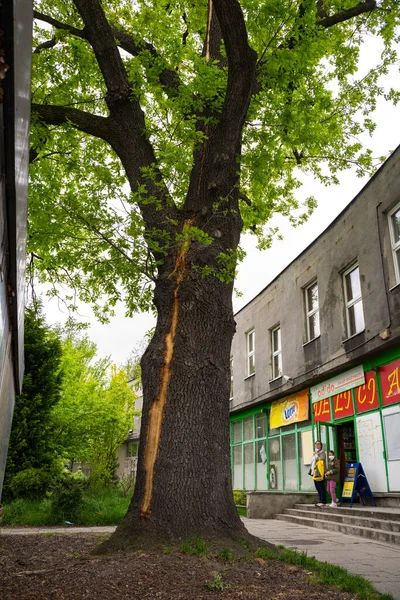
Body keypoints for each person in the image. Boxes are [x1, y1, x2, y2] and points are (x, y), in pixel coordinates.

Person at [311, 440, 326, 507]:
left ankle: (323, 501)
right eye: (316, 444)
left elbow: (322, 459)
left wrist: (316, 456)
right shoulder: (315, 453)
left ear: (321, 445)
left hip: (320, 472)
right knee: (317, 487)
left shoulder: (322, 452)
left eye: (318, 444)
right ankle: (320, 500)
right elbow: (312, 462)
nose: (317, 445)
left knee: (321, 487)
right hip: (315, 472)